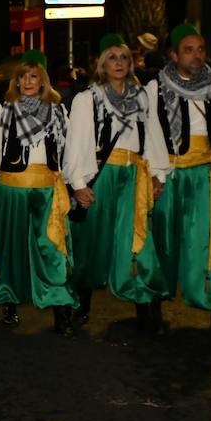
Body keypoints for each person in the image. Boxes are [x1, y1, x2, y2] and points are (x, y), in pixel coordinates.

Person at [64, 34, 171, 334]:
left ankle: (146, 305)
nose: (119, 63)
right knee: (91, 241)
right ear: (102, 63)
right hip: (102, 175)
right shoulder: (88, 99)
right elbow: (77, 143)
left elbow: (152, 136)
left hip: (134, 175)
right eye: (112, 57)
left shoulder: (140, 97)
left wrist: (157, 175)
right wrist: (79, 183)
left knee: (139, 239)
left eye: (124, 57)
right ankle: (79, 302)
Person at [147, 24, 211, 334]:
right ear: (174, 54)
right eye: (188, 49)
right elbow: (150, 135)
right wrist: (156, 174)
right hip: (171, 173)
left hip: (208, 174)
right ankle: (152, 307)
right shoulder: (156, 88)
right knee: (163, 240)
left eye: (201, 49)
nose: (196, 55)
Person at [0, 49, 78, 336]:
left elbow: (68, 152)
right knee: (9, 250)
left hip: (48, 190)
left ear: (43, 80)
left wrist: (76, 184)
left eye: (34, 76)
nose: (29, 81)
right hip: (12, 190)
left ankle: (61, 308)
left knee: (54, 250)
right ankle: (7, 303)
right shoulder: (2, 111)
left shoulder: (58, 111)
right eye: (23, 76)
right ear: (16, 81)